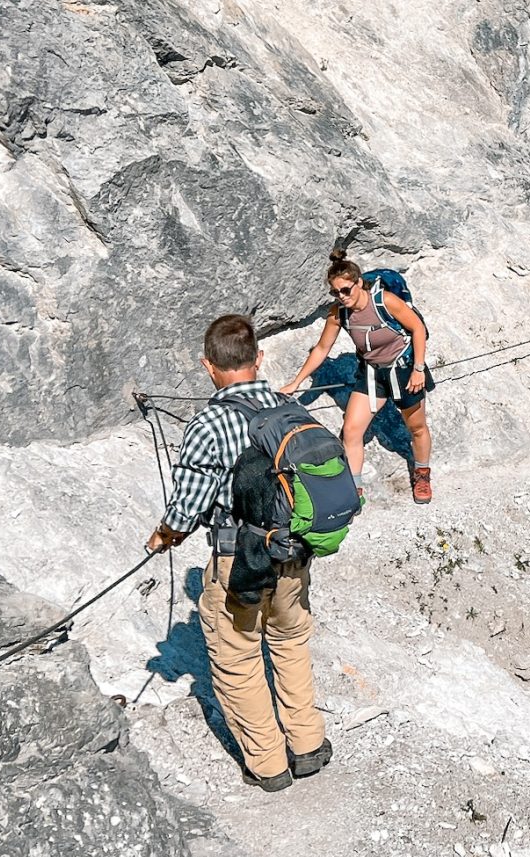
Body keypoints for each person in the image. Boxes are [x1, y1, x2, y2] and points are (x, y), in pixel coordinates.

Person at [145, 314, 332, 793]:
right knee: (290, 642)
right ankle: (308, 744)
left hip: (238, 558)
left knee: (238, 658)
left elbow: (187, 506)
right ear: (259, 360)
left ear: (209, 366)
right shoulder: (288, 408)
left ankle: (268, 765)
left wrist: (165, 535)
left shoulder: (209, 424)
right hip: (294, 553)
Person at [282, 249, 436, 503]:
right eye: (335, 292)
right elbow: (322, 349)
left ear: (359, 283)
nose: (342, 297)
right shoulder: (338, 314)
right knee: (352, 430)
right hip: (372, 373)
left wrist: (418, 369)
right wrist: (297, 383)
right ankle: (354, 492)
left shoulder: (384, 301)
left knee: (416, 427)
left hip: (403, 368)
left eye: (346, 290)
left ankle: (422, 474)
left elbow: (417, 328)